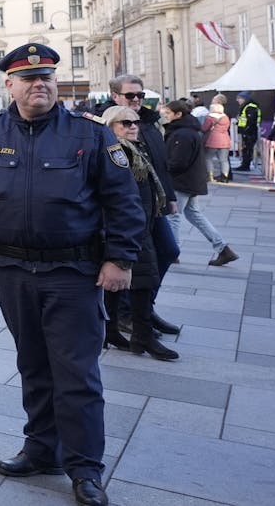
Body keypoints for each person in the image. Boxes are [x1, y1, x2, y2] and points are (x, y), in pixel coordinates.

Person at [0, 44, 143, 506]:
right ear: (9, 85)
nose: (40, 84)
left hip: (72, 272)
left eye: (47, 78)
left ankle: (84, 468)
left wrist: (120, 259)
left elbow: (123, 201)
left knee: (76, 372)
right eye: (29, 78)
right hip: (12, 269)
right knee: (33, 364)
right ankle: (40, 448)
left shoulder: (90, 134)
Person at [98, 106, 177, 361]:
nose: (133, 126)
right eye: (125, 123)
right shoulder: (117, 153)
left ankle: (111, 330)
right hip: (129, 226)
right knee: (143, 280)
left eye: (135, 122)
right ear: (110, 126)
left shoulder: (135, 149)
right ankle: (142, 334)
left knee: (129, 281)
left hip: (141, 222)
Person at [163, 99, 241, 267]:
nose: (165, 116)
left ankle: (172, 253)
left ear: (178, 114)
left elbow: (178, 162)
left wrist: (164, 171)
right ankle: (223, 249)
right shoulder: (188, 130)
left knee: (173, 216)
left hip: (181, 181)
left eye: (168, 113)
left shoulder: (181, 133)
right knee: (194, 215)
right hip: (191, 180)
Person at [204, 98, 232, 183]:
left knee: (208, 158)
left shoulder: (210, 118)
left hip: (213, 140)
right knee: (224, 160)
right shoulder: (226, 117)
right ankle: (225, 177)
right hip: (225, 140)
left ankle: (210, 176)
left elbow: (204, 128)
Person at [236, 91, 262, 171]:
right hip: (247, 131)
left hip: (249, 132)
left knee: (247, 149)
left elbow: (251, 120)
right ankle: (244, 164)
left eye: (239, 98)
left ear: (244, 99)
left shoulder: (250, 107)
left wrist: (246, 130)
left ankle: (245, 165)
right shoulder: (247, 106)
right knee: (245, 149)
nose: (237, 100)